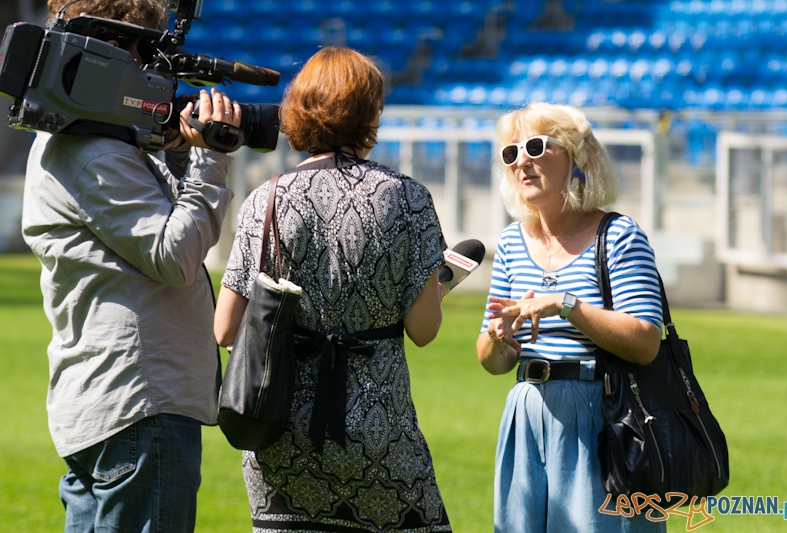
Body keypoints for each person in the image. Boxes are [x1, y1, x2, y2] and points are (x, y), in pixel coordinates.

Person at [21, 1, 242, 531]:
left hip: (110, 404)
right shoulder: (96, 151)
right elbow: (176, 257)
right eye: (146, 50)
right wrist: (213, 160)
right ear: (109, 48)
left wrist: (179, 157)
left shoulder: (76, 139)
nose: (150, 69)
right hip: (139, 405)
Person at [214, 47, 452, 532]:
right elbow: (423, 330)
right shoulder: (409, 198)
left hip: (279, 432)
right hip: (379, 430)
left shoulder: (267, 198)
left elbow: (225, 329)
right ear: (371, 112)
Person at [475, 102, 665, 533]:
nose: (521, 161)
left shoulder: (617, 235)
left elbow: (646, 342)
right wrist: (497, 338)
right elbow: (492, 361)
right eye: (510, 153)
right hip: (525, 411)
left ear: (577, 157)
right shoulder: (509, 242)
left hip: (601, 415)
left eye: (537, 147)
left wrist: (566, 305)